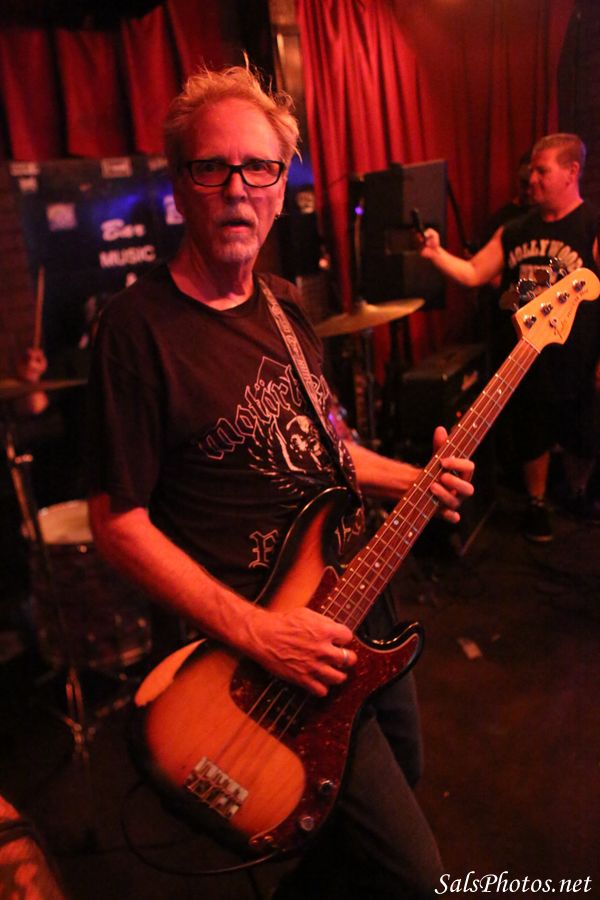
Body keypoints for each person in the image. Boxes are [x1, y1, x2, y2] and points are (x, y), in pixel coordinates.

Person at [86, 64, 475, 899]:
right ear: (179, 186)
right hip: (261, 671)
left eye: (258, 168)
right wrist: (261, 635)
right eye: (212, 167)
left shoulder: (285, 307)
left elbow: (332, 446)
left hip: (360, 618)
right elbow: (117, 525)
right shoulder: (136, 331)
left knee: (388, 802)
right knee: (415, 876)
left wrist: (417, 478)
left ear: (279, 186)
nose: (238, 188)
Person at [420, 133, 600, 542]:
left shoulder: (592, 224)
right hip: (527, 358)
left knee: (584, 434)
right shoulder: (515, 230)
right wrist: (435, 254)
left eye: (542, 171)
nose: (531, 179)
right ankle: (536, 503)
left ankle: (577, 492)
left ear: (571, 172)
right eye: (531, 171)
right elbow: (473, 273)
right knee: (532, 434)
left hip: (579, 356)